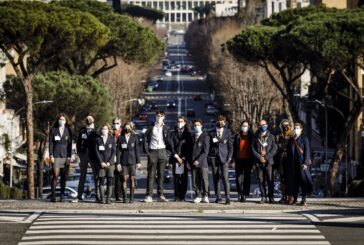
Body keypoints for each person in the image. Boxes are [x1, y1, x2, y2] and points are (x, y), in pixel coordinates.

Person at [143, 111, 171, 202]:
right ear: (155, 117)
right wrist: (147, 151)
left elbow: (169, 141)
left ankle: (161, 195)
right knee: (151, 174)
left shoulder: (166, 128)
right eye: (158, 116)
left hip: (162, 151)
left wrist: (167, 153)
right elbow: (145, 139)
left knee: (161, 175)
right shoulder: (151, 127)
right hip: (153, 151)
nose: (159, 117)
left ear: (164, 117)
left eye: (161, 116)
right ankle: (149, 195)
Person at [208, 115, 233, 205]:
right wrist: (210, 157)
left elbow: (230, 147)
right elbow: (209, 146)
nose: (220, 122)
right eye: (219, 121)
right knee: (215, 178)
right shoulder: (211, 133)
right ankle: (218, 197)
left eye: (222, 121)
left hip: (224, 158)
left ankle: (228, 197)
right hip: (214, 158)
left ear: (225, 122)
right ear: (216, 122)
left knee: (225, 178)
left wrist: (229, 158)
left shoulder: (228, 132)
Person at [286, 122, 313, 205]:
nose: (295, 129)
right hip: (293, 164)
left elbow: (307, 151)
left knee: (303, 181)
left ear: (301, 129)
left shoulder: (304, 138)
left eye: (297, 128)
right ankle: (295, 199)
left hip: (301, 164)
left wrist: (305, 163)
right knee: (294, 182)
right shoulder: (291, 139)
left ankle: (304, 199)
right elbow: (288, 152)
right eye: (295, 128)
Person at [252, 119, 277, 204]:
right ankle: (263, 196)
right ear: (259, 126)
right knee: (260, 180)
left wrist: (266, 157)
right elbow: (252, 149)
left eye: (264, 124)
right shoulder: (255, 137)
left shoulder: (271, 136)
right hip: (259, 162)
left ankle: (271, 197)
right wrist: (259, 157)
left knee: (270, 180)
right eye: (261, 125)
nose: (263, 126)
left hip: (268, 161)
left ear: (266, 125)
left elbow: (274, 149)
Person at [49, 113, 73, 202]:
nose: (61, 121)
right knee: (55, 175)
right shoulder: (53, 130)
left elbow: (70, 145)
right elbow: (50, 143)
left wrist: (69, 157)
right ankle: (53, 195)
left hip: (65, 155)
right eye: (60, 119)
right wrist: (51, 155)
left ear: (66, 121)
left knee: (63, 176)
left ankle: (62, 195)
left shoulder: (68, 130)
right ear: (58, 120)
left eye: (63, 120)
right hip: (56, 155)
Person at [76, 115, 99, 202]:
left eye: (90, 118)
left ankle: (98, 195)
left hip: (94, 155)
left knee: (96, 176)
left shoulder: (97, 130)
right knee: (82, 176)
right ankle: (79, 195)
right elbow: (78, 142)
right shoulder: (82, 130)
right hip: (84, 155)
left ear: (93, 120)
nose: (88, 120)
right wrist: (79, 154)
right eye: (87, 118)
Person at [116, 122, 141, 203]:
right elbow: (118, 151)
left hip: (132, 161)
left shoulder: (135, 137)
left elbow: (137, 150)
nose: (127, 129)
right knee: (124, 179)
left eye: (128, 127)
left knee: (132, 179)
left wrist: (138, 161)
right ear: (123, 128)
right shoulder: (120, 138)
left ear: (131, 128)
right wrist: (118, 163)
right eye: (126, 127)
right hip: (123, 161)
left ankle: (132, 197)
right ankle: (125, 197)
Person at [170, 116, 192, 202]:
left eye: (181, 121)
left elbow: (189, 147)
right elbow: (171, 146)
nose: (180, 123)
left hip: (184, 159)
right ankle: (176, 195)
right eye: (178, 121)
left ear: (185, 122)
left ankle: (183, 195)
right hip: (175, 158)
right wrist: (176, 156)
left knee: (184, 178)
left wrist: (183, 158)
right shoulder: (173, 134)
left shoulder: (188, 134)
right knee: (176, 178)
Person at [231, 120, 254, 202]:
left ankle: (245, 194)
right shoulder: (237, 136)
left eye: (246, 126)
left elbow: (254, 149)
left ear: (248, 127)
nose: (245, 127)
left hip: (248, 160)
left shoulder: (251, 136)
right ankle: (240, 193)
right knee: (238, 178)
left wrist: (253, 163)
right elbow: (233, 149)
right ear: (241, 127)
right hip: (239, 159)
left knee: (247, 178)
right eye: (243, 125)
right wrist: (233, 161)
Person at [188, 119, 210, 203]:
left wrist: (198, 160)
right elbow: (190, 150)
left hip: (202, 163)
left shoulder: (205, 137)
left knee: (204, 180)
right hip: (193, 163)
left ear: (201, 126)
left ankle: (206, 195)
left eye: (198, 125)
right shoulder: (192, 137)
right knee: (195, 181)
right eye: (195, 125)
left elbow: (206, 151)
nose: (196, 126)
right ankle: (198, 195)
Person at [95, 123, 116, 204]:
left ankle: (109, 198)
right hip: (101, 164)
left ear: (109, 130)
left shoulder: (112, 139)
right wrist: (101, 162)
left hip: (109, 164)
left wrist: (109, 162)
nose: (104, 130)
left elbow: (114, 151)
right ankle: (102, 198)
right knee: (101, 180)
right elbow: (96, 151)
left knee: (110, 180)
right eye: (103, 129)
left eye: (106, 129)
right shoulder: (98, 139)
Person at [275, 119, 292, 203]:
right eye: (284, 125)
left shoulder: (292, 135)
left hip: (290, 160)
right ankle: (283, 195)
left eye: (287, 125)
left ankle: (290, 196)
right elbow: (276, 147)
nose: (286, 127)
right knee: (282, 179)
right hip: (281, 160)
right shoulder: (278, 136)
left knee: (290, 178)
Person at [112, 118, 124, 201]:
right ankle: (113, 195)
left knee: (121, 177)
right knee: (112, 177)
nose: (115, 124)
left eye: (117, 123)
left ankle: (120, 195)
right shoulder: (110, 132)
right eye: (114, 123)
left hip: (122, 157)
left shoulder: (123, 132)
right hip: (112, 157)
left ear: (120, 124)